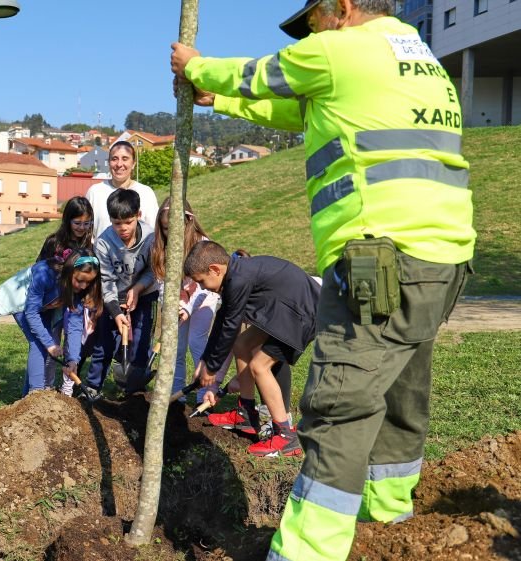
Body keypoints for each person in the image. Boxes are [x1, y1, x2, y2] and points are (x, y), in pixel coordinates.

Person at [171, 1, 473, 554]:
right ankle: (388, 516)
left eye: (312, 24)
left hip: (379, 261)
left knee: (340, 406)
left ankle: (307, 550)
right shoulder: (416, 57)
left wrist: (197, 68)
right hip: (444, 258)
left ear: (343, 8)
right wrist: (228, 103)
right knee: (403, 391)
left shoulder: (342, 48)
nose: (310, 37)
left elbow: (264, 73)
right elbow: (304, 112)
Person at [186, 241, 319, 458]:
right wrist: (205, 360)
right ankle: (246, 412)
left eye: (201, 281)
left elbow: (230, 325)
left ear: (215, 270)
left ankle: (286, 436)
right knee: (242, 345)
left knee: (259, 366)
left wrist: (212, 368)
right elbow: (222, 319)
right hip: (283, 313)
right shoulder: (234, 275)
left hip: (301, 316)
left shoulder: (238, 280)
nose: (202, 287)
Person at [149, 197, 230, 405]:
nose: (170, 234)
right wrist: (169, 304)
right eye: (166, 229)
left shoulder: (201, 243)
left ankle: (205, 394)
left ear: (188, 222)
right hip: (177, 301)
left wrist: (188, 306)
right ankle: (177, 395)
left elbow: (202, 285)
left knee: (196, 341)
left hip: (203, 297)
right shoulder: (159, 246)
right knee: (176, 347)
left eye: (175, 229)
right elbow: (162, 281)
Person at [87, 189, 157, 395]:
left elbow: (154, 271)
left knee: (141, 342)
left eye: (128, 222)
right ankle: (93, 387)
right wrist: (116, 312)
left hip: (144, 295)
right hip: (113, 297)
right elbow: (106, 281)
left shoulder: (151, 239)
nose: (123, 228)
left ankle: (134, 390)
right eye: (117, 223)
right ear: (110, 220)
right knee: (104, 345)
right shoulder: (103, 243)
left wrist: (137, 288)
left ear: (139, 215)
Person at [15, 248, 103, 396]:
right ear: (69, 271)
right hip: (20, 303)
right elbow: (31, 312)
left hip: (45, 308)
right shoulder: (45, 274)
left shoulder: (78, 291)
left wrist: (73, 360)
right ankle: (35, 394)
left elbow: (75, 326)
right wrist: (49, 343)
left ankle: (26, 399)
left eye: (88, 282)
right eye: (80, 280)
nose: (83, 286)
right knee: (38, 343)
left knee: (42, 344)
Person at [85, 141, 160, 237]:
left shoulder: (146, 193)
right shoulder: (94, 192)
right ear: (108, 163)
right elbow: (86, 231)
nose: (119, 164)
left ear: (133, 164)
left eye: (125, 159)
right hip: (100, 251)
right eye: (114, 159)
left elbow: (154, 231)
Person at [36, 196, 95, 262]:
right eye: (77, 223)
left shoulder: (89, 247)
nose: (82, 227)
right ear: (67, 220)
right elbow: (40, 267)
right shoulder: (53, 243)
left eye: (86, 223)